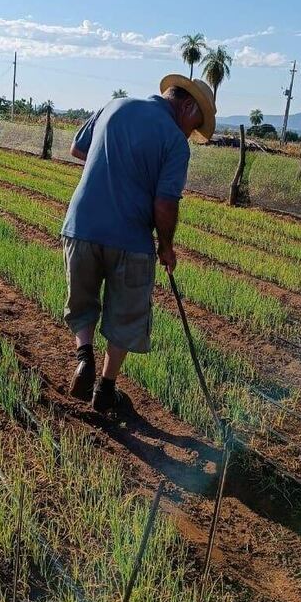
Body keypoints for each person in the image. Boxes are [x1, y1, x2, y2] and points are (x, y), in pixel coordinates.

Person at [61, 73, 216, 413]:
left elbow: (78, 148)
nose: (191, 132)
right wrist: (167, 246)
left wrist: (114, 170)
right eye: (196, 123)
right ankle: (105, 388)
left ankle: (83, 356)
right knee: (126, 315)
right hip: (130, 238)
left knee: (82, 301)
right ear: (187, 105)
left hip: (80, 226)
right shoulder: (175, 142)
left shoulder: (115, 105)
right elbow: (165, 202)